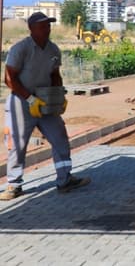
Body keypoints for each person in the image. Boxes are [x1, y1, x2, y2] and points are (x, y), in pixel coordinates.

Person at [1, 12, 91, 201]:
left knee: (60, 139)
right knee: (17, 144)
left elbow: (55, 75)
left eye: (48, 26)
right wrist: (29, 99)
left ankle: (64, 179)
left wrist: (59, 98)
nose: (47, 29)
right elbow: (9, 78)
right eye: (43, 26)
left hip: (46, 102)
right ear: (31, 28)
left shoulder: (53, 50)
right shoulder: (20, 49)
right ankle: (14, 185)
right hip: (21, 103)